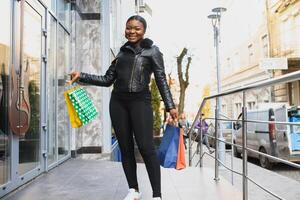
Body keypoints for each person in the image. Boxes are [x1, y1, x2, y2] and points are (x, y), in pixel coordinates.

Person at [68, 15, 177, 200]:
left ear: (144, 30)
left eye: (136, 28)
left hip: (140, 102)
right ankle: (134, 190)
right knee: (125, 148)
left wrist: (170, 105)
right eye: (128, 28)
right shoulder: (121, 53)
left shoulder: (152, 51)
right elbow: (107, 79)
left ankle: (157, 195)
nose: (132, 31)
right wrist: (82, 76)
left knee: (146, 148)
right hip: (118, 102)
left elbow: (160, 79)